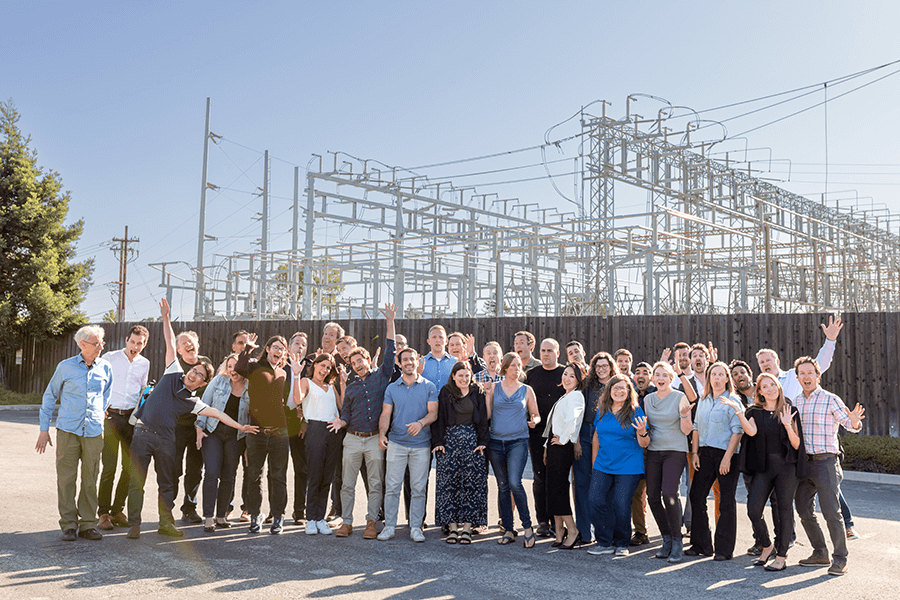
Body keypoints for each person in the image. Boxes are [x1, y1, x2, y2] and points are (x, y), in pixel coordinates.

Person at [126, 299, 255, 539]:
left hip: (166, 439)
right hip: (142, 435)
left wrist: (240, 426)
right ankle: (134, 524)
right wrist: (166, 317)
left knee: (167, 483)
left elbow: (217, 413)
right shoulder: (172, 372)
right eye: (194, 371)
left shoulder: (193, 402)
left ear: (203, 383)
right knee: (137, 482)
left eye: (200, 375)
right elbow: (169, 342)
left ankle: (166, 523)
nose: (194, 375)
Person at [36, 325, 114, 541]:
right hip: (68, 430)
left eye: (101, 343)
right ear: (82, 344)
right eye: (96, 343)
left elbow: (106, 395)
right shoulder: (65, 367)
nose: (100, 347)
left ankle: (88, 524)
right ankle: (68, 524)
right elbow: (50, 396)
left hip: (93, 431)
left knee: (90, 478)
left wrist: (99, 412)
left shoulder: (105, 368)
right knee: (66, 478)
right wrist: (44, 429)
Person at [723, 372, 803, 572]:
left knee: (784, 511)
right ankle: (767, 545)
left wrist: (787, 425)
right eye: (765, 386)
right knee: (753, 509)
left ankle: (782, 555)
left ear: (778, 386)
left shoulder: (789, 410)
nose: (770, 389)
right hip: (763, 468)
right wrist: (739, 412)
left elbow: (796, 444)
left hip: (786, 468)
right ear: (759, 391)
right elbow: (751, 432)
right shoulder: (754, 412)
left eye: (772, 385)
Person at [792, 355, 864, 576]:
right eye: (801, 373)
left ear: (818, 376)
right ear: (797, 377)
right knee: (803, 508)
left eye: (809, 373)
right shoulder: (795, 401)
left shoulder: (830, 399)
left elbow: (849, 424)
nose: (806, 376)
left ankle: (840, 558)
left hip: (826, 462)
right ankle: (820, 552)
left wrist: (854, 422)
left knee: (832, 511)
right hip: (804, 463)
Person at [333, 303, 397, 539]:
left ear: (369, 360)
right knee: (347, 484)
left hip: (373, 439)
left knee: (375, 483)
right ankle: (347, 522)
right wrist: (341, 422)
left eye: (361, 360)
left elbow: (390, 350)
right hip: (352, 439)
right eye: (354, 363)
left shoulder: (381, 377)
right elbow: (346, 412)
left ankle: (371, 522)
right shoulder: (351, 387)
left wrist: (390, 322)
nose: (358, 364)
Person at [378, 347, 439, 542]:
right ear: (399, 362)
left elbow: (433, 413)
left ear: (418, 360)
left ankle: (415, 527)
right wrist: (381, 434)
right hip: (396, 444)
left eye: (412, 359)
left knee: (418, 488)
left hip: (421, 445)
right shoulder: (391, 388)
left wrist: (420, 423)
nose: (409, 363)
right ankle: (389, 526)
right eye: (405, 360)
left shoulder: (429, 386)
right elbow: (386, 414)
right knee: (393, 486)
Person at [687, 362, 744, 561]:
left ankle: (724, 549)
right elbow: (695, 427)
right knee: (696, 496)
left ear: (727, 378)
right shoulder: (703, 399)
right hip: (704, 453)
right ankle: (701, 545)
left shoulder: (733, 400)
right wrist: (695, 453)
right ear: (709, 378)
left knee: (726, 502)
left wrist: (727, 458)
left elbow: (738, 431)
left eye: (721, 374)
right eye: (714, 374)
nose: (717, 378)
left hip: (727, 454)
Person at [587, 374, 650, 556]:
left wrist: (642, 432)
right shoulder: (602, 410)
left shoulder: (635, 411)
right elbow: (597, 436)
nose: (619, 391)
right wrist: (594, 463)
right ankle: (604, 542)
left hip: (628, 466)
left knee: (621, 504)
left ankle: (622, 543)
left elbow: (644, 444)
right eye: (615, 388)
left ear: (629, 391)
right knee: (595, 500)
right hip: (602, 464)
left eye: (623, 388)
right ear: (609, 391)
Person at [236, 334, 292, 535]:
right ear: (268, 349)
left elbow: (285, 400)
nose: (279, 351)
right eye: (276, 347)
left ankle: (278, 517)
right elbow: (238, 369)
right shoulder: (254, 366)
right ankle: (255, 515)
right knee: (253, 475)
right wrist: (248, 348)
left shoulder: (284, 373)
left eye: (282, 349)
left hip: (280, 432)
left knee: (278, 476)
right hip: (257, 432)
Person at [97, 325, 150, 531]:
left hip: (131, 420)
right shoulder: (110, 358)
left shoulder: (144, 363)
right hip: (111, 417)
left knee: (128, 468)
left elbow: (142, 391)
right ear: (126, 340)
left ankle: (117, 510)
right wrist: (100, 407)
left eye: (140, 344)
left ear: (144, 345)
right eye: (133, 342)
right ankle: (103, 513)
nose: (135, 347)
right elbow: (98, 383)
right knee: (109, 467)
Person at [486, 352, 540, 547]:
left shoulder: (527, 390)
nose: (517, 369)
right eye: (513, 365)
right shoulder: (494, 388)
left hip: (518, 441)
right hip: (496, 443)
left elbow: (536, 414)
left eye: (519, 366)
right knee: (502, 486)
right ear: (505, 367)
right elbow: (488, 415)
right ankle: (508, 528)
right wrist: (486, 394)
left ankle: (527, 527)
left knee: (515, 482)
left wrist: (534, 421)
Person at [644, 360, 695, 563]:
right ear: (653, 378)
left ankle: (677, 540)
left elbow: (687, 430)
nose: (661, 378)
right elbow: (646, 427)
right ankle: (666, 538)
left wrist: (684, 416)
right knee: (653, 497)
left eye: (665, 375)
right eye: (657, 374)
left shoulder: (680, 397)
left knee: (669, 493)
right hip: (654, 451)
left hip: (675, 451)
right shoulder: (648, 399)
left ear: (671, 378)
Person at [433, 361, 489, 544]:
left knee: (471, 485)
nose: (464, 379)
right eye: (461, 376)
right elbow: (439, 418)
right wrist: (439, 442)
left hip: (472, 443)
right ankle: (452, 528)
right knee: (449, 485)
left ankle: (467, 528)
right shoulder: (445, 391)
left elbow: (482, 420)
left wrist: (482, 442)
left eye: (467, 375)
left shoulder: (477, 392)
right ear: (454, 376)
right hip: (449, 442)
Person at [196, 353, 252, 532]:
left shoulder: (250, 387)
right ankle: (208, 517)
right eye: (229, 366)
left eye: (236, 366)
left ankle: (221, 516)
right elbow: (203, 405)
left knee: (229, 475)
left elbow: (253, 415)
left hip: (237, 437)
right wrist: (199, 429)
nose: (232, 370)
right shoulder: (218, 381)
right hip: (213, 432)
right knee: (211, 473)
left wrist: (250, 444)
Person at [294, 352, 344, 535]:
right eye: (322, 365)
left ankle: (320, 518)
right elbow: (298, 399)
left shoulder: (330, 386)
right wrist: (296, 375)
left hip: (333, 431)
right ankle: (310, 519)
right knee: (314, 475)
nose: (324, 370)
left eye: (328, 368)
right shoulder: (306, 382)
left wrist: (343, 382)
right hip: (315, 430)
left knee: (327, 477)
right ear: (315, 365)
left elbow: (342, 405)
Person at [573, 351, 618, 542]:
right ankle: (584, 531)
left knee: (607, 485)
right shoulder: (586, 387)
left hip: (608, 437)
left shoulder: (618, 386)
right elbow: (576, 413)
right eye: (597, 366)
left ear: (611, 368)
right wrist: (575, 441)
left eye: (604, 366)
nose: (601, 370)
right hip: (585, 433)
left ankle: (608, 531)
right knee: (582, 484)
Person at [524, 338, 566, 538]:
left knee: (558, 479)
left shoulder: (565, 374)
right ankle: (542, 520)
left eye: (550, 350)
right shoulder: (531, 375)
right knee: (540, 477)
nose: (546, 354)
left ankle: (558, 520)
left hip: (561, 435)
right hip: (537, 434)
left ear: (558, 352)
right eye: (543, 350)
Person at [543, 362, 586, 549]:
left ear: (578, 380)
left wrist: (565, 439)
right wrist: (547, 446)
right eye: (565, 374)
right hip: (554, 447)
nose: (566, 378)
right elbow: (554, 425)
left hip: (563, 448)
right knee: (552, 489)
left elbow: (573, 419)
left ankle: (572, 530)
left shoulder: (576, 396)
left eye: (571, 376)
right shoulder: (565, 396)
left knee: (559, 490)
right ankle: (559, 531)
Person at [173, 328, 213, 525]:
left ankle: (189, 508)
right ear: (179, 349)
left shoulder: (205, 364)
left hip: (199, 426)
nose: (188, 345)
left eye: (191, 342)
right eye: (183, 343)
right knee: (173, 469)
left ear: (198, 344)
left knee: (195, 470)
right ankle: (167, 509)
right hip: (176, 426)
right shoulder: (175, 365)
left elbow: (210, 395)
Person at [755, 315, 843, 401]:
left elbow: (821, 364)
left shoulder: (793, 376)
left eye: (768, 360)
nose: (765, 363)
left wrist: (830, 340)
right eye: (762, 362)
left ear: (777, 362)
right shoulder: (759, 387)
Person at [629, 361, 656, 546]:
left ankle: (671, 531)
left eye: (645, 372)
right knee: (637, 493)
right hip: (636, 449)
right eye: (637, 372)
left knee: (659, 493)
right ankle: (640, 531)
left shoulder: (657, 394)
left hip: (657, 449)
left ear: (651, 377)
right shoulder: (630, 396)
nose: (641, 375)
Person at [285, 331, 310, 525]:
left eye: (303, 345)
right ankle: (274, 511)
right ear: (289, 347)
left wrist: (305, 421)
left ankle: (299, 511)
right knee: (275, 469)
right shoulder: (279, 365)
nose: (300, 347)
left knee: (301, 468)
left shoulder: (310, 368)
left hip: (298, 423)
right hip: (277, 420)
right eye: (297, 343)